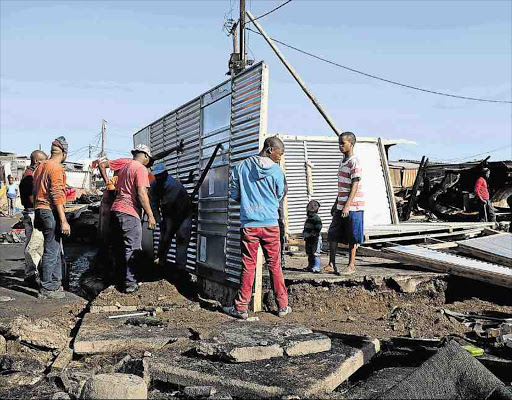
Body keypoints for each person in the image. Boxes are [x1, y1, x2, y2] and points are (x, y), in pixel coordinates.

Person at [222, 136, 291, 319]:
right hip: (270, 224)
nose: (280, 158)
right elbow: (280, 194)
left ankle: (241, 308)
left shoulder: (241, 167)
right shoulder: (277, 171)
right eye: (279, 153)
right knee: (274, 266)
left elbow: (234, 195)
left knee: (248, 266)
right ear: (269, 149)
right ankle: (283, 306)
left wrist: (249, 201)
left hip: (249, 225)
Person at [110, 144, 156, 293]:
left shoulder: (124, 168)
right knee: (132, 248)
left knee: (119, 248)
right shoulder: (140, 168)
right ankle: (130, 284)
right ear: (145, 156)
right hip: (129, 212)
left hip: (116, 210)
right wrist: (150, 215)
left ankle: (120, 281)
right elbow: (142, 193)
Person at [33, 137, 71, 299]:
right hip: (49, 211)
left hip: (40, 209)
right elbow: (56, 195)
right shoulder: (56, 168)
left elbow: (35, 191)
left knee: (54, 247)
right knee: (51, 250)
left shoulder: (41, 166)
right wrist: (64, 221)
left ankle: (55, 283)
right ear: (64, 154)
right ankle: (47, 287)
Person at [326, 132, 365, 275]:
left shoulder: (354, 161)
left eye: (343, 143)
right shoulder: (342, 162)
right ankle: (332, 264)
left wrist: (348, 205)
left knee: (352, 235)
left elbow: (355, 184)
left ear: (351, 144)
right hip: (341, 204)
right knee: (333, 233)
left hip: (354, 206)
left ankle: (352, 265)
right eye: (339, 143)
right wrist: (336, 203)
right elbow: (342, 186)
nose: (340, 146)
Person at [149, 163, 193, 277]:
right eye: (156, 175)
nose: (158, 177)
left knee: (182, 239)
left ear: (166, 173)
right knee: (164, 240)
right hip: (169, 216)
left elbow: (169, 203)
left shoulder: (173, 184)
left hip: (184, 215)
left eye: (160, 175)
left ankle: (180, 270)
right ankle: (160, 265)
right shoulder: (154, 185)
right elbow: (153, 203)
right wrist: (158, 219)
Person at [20, 150, 48, 288]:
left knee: (33, 243)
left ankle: (31, 273)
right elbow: (33, 197)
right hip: (32, 212)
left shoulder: (29, 174)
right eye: (43, 162)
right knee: (35, 245)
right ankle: (31, 275)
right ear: (37, 161)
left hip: (30, 212)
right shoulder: (30, 177)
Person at [303, 200, 322, 273]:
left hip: (315, 238)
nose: (312, 206)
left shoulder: (316, 218)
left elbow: (319, 226)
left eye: (315, 205)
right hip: (308, 238)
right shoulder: (309, 218)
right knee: (309, 253)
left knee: (315, 252)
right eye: (310, 205)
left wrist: (314, 233)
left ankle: (316, 267)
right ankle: (310, 265)